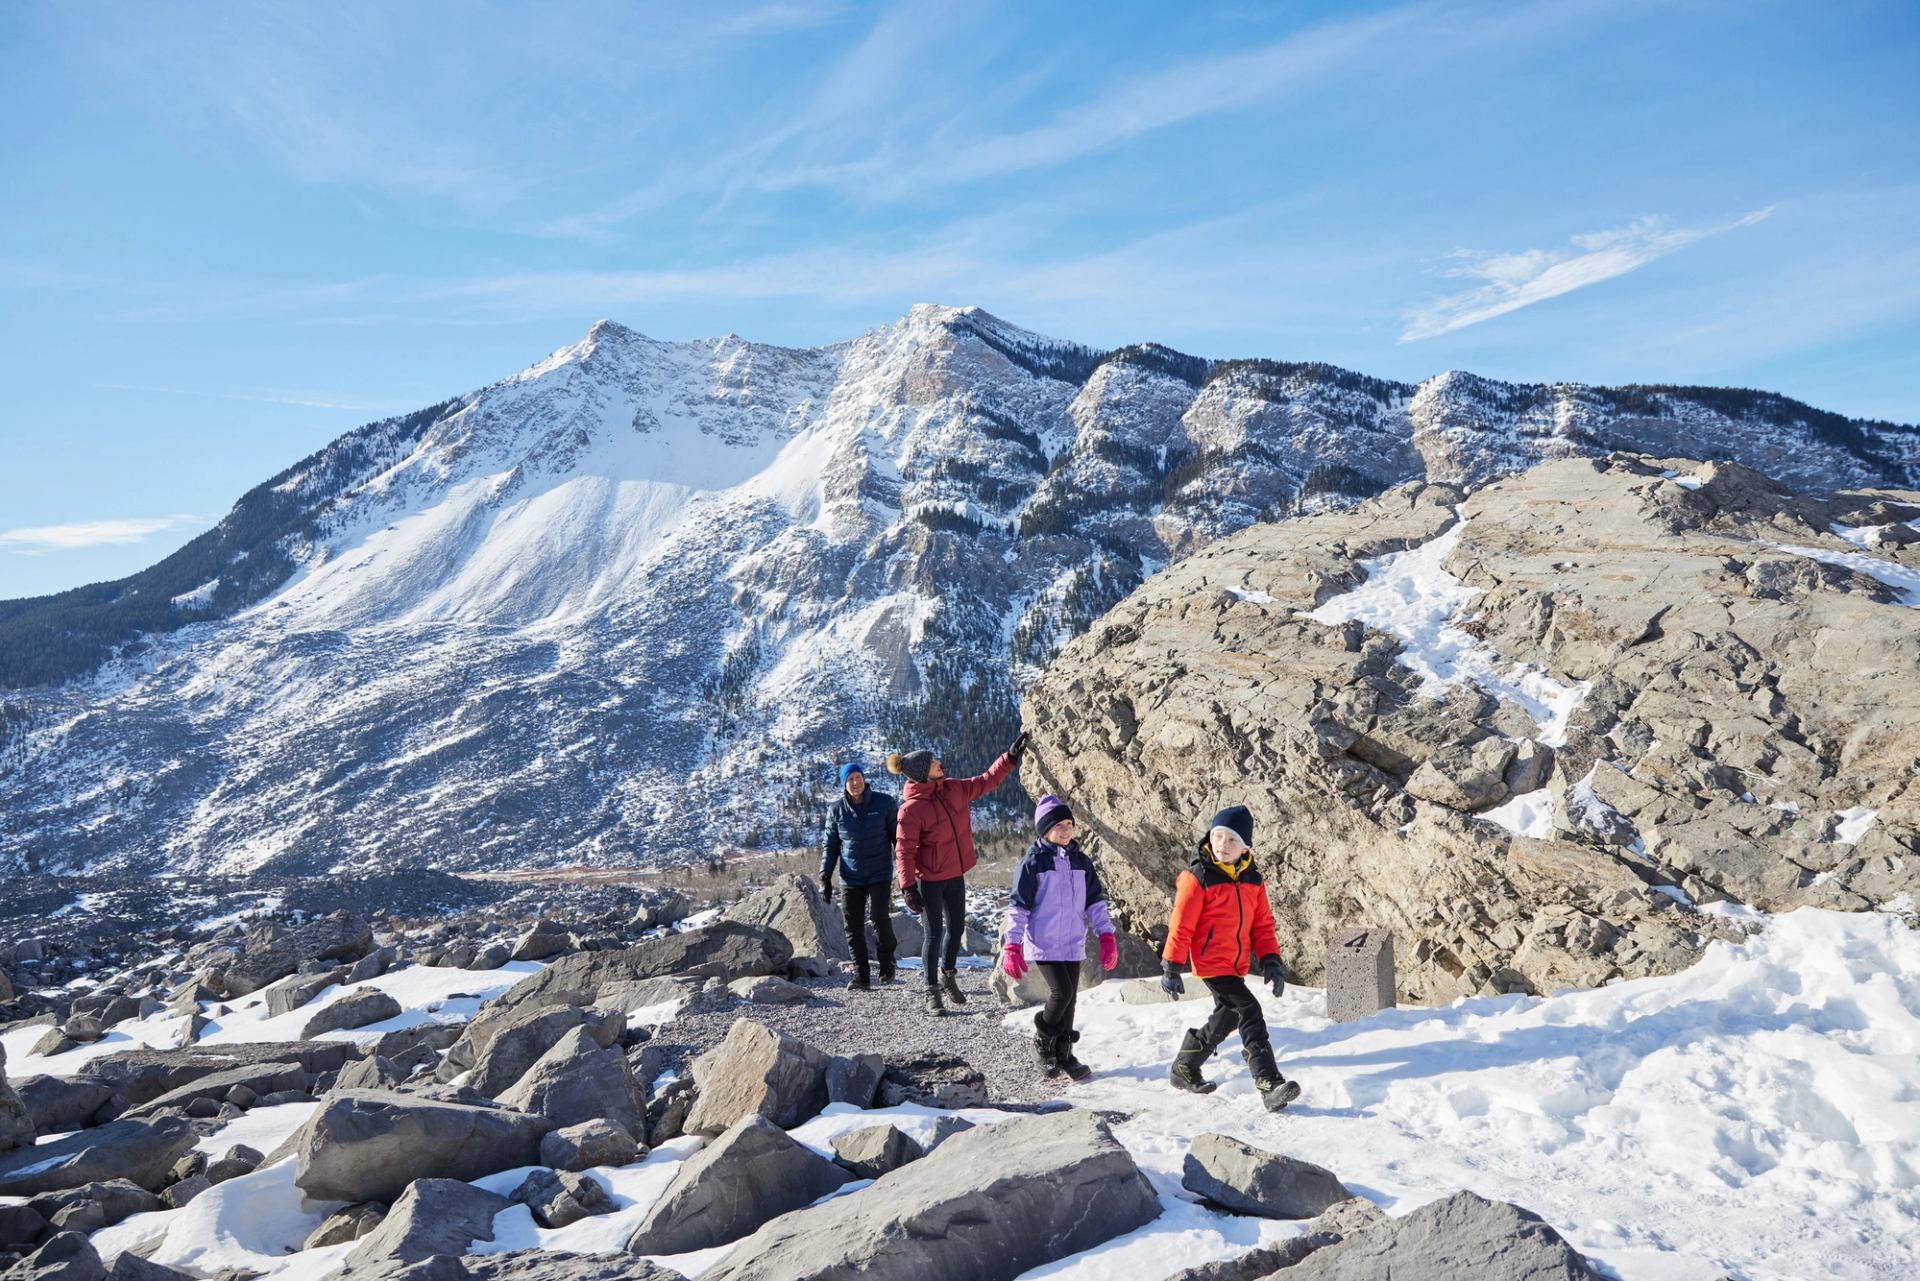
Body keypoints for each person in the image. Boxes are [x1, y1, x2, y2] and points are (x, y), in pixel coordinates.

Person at [1160, 804, 1302, 1112]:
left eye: (1231, 840)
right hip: (1211, 961)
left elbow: (1262, 925)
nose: (1223, 845)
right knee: (1249, 1009)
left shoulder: (1253, 881)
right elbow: (1181, 923)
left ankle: (1184, 1066)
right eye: (1218, 836)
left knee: (1228, 1016)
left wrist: (1271, 961)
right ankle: (1268, 1082)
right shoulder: (1198, 877)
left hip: (1235, 963)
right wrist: (1171, 965)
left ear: (1246, 847)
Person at [889, 731, 1028, 1016]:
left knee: (957, 930)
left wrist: (1009, 758)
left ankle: (947, 976)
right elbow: (903, 851)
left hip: (955, 874)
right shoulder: (911, 810)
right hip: (929, 880)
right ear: (922, 773)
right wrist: (908, 887)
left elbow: (986, 781)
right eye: (933, 762)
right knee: (933, 934)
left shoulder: (953, 788)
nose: (939, 763)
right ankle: (931, 991)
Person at [1001, 794, 1118, 1081]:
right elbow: (1018, 907)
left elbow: (1095, 902)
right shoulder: (1033, 862)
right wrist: (1012, 945)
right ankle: (1042, 1041)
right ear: (1044, 830)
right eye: (1058, 825)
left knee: (1071, 1000)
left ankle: (1064, 1053)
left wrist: (1107, 936)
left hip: (1073, 942)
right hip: (1045, 941)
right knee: (1061, 993)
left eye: (1069, 824)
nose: (1065, 830)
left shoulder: (1081, 861)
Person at [820, 761, 900, 991]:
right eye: (850, 780)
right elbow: (830, 845)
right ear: (844, 784)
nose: (855, 783)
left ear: (864, 779)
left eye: (858, 777)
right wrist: (825, 874)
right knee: (852, 926)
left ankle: (887, 962)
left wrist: (907, 869)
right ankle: (861, 975)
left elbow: (898, 839)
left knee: (879, 917)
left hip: (879, 873)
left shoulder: (884, 803)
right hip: (850, 876)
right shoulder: (836, 810)